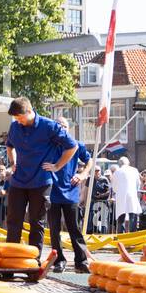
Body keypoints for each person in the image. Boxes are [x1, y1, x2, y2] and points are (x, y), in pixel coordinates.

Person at [4, 98, 78, 252]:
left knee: (36, 222)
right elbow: (9, 146)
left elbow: (72, 146)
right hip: (18, 181)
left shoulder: (49, 126)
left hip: (41, 182)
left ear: (29, 112)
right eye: (16, 118)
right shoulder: (14, 127)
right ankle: (9, 260)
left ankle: (33, 261)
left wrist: (57, 166)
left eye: (20, 117)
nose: (18, 121)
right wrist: (12, 162)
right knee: (13, 221)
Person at [46, 117, 92, 273]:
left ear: (68, 128)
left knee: (74, 227)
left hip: (71, 190)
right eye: (58, 126)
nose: (62, 128)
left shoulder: (76, 145)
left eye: (64, 126)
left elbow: (89, 160)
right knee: (54, 228)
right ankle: (59, 260)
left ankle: (81, 261)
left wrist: (83, 174)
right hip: (52, 191)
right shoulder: (49, 145)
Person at [111, 157, 143, 234]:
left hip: (121, 196)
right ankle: (133, 235)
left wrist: (119, 191)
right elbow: (138, 184)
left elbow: (114, 187)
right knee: (132, 215)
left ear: (119, 164)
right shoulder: (134, 170)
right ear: (128, 163)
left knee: (121, 216)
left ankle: (120, 235)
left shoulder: (116, 172)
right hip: (132, 195)